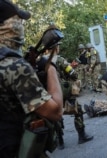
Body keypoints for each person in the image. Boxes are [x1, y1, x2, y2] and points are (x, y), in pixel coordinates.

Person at [0, 1, 63, 157]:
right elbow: (55, 111)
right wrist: (51, 67)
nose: (21, 26)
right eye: (17, 21)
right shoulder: (13, 66)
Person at [44, 40, 93, 149]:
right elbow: (73, 74)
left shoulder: (41, 61)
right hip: (62, 92)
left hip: (48, 94)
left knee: (55, 115)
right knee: (78, 110)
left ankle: (60, 142)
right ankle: (82, 136)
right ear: (56, 48)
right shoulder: (60, 60)